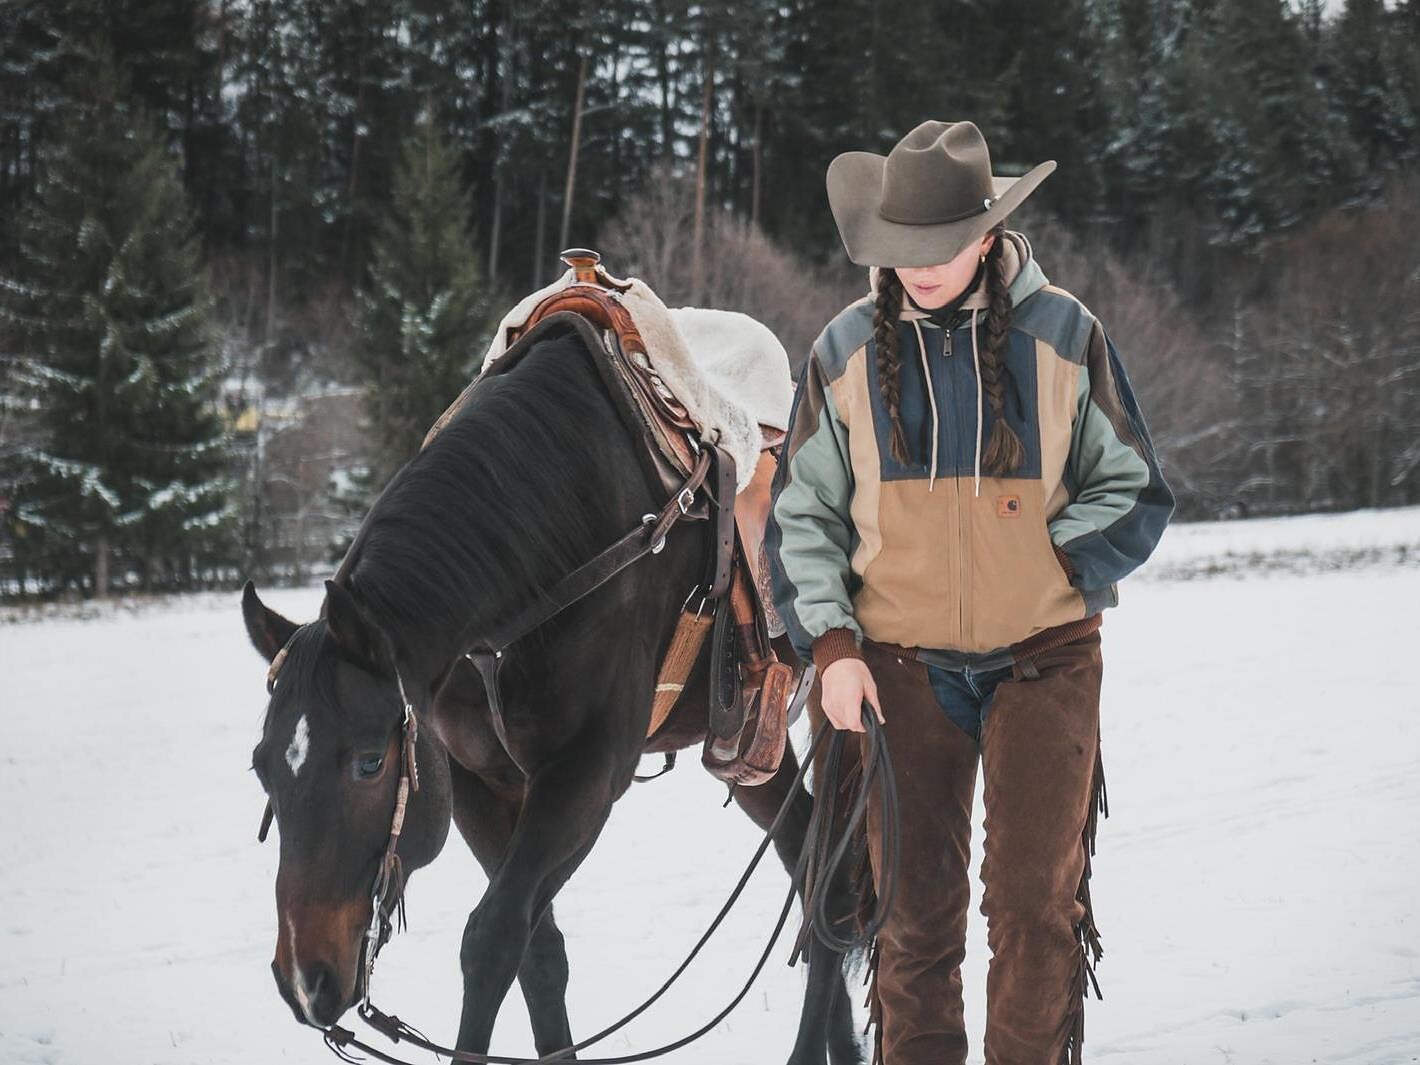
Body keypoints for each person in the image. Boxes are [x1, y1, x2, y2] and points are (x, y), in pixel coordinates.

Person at [765, 120, 1176, 1065]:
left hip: (1045, 660)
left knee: (1035, 907)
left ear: (988, 235)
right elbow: (803, 517)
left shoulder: (1066, 333)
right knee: (912, 920)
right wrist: (829, 649)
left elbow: (1138, 490)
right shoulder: (840, 353)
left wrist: (1051, 562)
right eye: (901, 248)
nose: (918, 266)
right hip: (896, 671)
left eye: (939, 247)